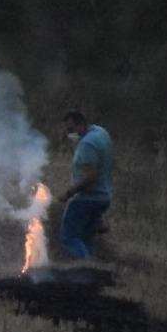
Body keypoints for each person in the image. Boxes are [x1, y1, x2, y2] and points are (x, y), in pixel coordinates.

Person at [59, 110, 113, 259]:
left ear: (81, 124)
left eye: (70, 129)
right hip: (103, 197)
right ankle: (92, 274)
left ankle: (86, 266)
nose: (68, 133)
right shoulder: (101, 132)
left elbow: (90, 177)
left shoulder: (87, 144)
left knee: (68, 238)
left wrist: (69, 193)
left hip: (86, 199)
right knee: (86, 239)